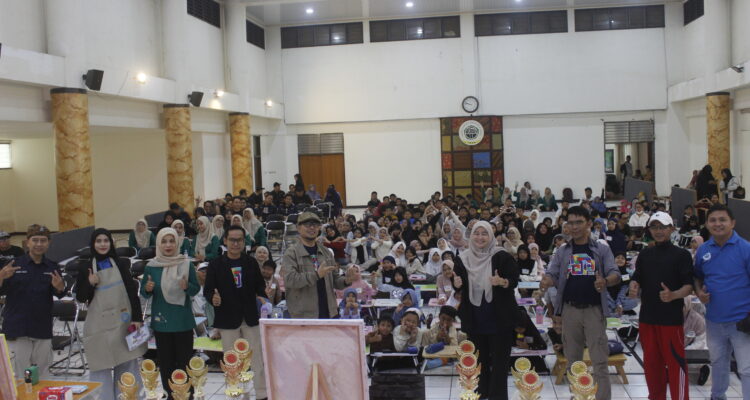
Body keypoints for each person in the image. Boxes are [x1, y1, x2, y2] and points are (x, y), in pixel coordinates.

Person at [541, 206, 620, 400]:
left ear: (589, 224)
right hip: (570, 311)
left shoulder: (601, 249)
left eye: (579, 222)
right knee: (574, 362)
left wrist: (605, 281)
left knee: (599, 361)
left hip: (594, 311)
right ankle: (578, 396)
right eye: (570, 223)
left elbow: (615, 273)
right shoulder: (562, 251)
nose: (574, 227)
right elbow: (552, 272)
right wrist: (548, 280)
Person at [627, 212, 693, 400]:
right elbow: (637, 277)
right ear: (649, 230)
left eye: (662, 227)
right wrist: (634, 285)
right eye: (654, 227)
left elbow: (689, 286)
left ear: (671, 229)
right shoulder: (645, 254)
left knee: (675, 364)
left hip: (670, 320)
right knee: (652, 364)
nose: (658, 231)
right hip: (647, 318)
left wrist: (673, 295)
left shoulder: (681, 255)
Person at [452, 221, 520, 400]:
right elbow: (457, 282)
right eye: (476, 233)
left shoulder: (501, 256)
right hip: (475, 318)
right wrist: (456, 284)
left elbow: (514, 279)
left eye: (484, 233)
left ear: (491, 236)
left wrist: (502, 282)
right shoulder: (463, 258)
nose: (480, 237)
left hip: (500, 318)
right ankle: (481, 394)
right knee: (478, 362)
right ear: (471, 235)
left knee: (499, 364)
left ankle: (498, 397)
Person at [76, 229, 145, 400]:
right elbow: (81, 297)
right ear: (93, 244)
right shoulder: (85, 267)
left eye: (105, 240)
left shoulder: (121, 263)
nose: (102, 244)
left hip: (122, 323)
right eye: (98, 241)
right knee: (100, 367)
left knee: (127, 365)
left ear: (111, 243)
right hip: (98, 326)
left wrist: (137, 318)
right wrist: (89, 283)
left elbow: (132, 291)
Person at [204, 225, 268, 400]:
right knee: (231, 361)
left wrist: (263, 295)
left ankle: (262, 394)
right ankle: (235, 393)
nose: (236, 243)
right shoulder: (215, 265)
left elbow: (260, 286)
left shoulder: (251, 262)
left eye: (239, 240)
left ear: (243, 241)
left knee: (257, 359)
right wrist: (213, 298)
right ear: (225, 241)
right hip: (227, 318)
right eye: (232, 240)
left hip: (250, 317)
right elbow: (208, 290)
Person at [693, 204, 750, 399]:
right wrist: (699, 292)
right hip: (714, 321)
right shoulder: (703, 250)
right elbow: (697, 277)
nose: (718, 224)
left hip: (742, 322)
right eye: (713, 220)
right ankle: (717, 396)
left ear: (732, 223)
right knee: (718, 363)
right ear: (707, 224)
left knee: (746, 368)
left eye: (722, 220)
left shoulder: (746, 249)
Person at [140, 228, 200, 398]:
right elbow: (144, 293)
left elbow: (195, 289)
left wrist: (187, 287)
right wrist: (147, 288)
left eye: (172, 241)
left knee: (184, 363)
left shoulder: (186, 264)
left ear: (177, 243)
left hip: (182, 321)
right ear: (159, 244)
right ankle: (170, 395)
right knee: (166, 364)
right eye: (164, 241)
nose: (168, 245)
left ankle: (187, 396)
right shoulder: (151, 267)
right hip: (162, 322)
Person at [0, 225, 65, 379]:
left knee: (42, 375)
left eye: (43, 240)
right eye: (35, 240)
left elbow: (60, 292)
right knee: (22, 376)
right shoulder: (13, 265)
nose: (39, 244)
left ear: (49, 243)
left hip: (42, 327)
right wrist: (1, 277)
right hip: (18, 328)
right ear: (27, 242)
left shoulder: (52, 266)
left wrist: (60, 287)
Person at [281, 212, 356, 318]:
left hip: (329, 312)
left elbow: (335, 280)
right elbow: (290, 280)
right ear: (298, 228)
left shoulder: (326, 252)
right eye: (307, 224)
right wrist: (316, 275)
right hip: (304, 316)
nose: (312, 228)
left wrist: (346, 280)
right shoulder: (291, 254)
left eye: (315, 225)